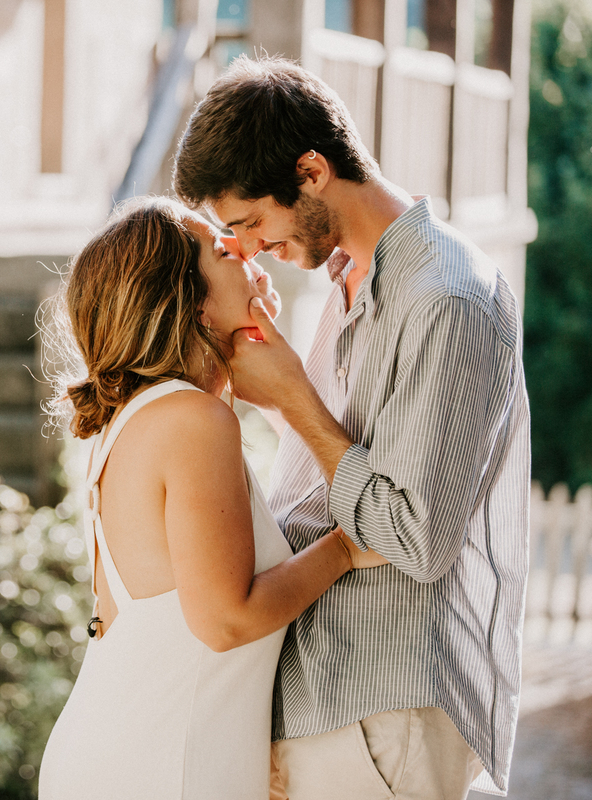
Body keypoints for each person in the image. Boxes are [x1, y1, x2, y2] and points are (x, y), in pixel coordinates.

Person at [173, 55, 530, 799]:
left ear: (309, 170)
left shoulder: (447, 298)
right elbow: (335, 476)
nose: (249, 246)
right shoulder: (346, 282)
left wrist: (294, 400)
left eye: (249, 222)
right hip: (320, 695)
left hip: (382, 708)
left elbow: (414, 535)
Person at [37, 196, 386, 800]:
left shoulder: (147, 417)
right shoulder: (194, 422)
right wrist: (347, 549)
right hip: (158, 770)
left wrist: (273, 385)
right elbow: (227, 620)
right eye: (227, 251)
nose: (251, 255)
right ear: (191, 299)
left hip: (117, 756)